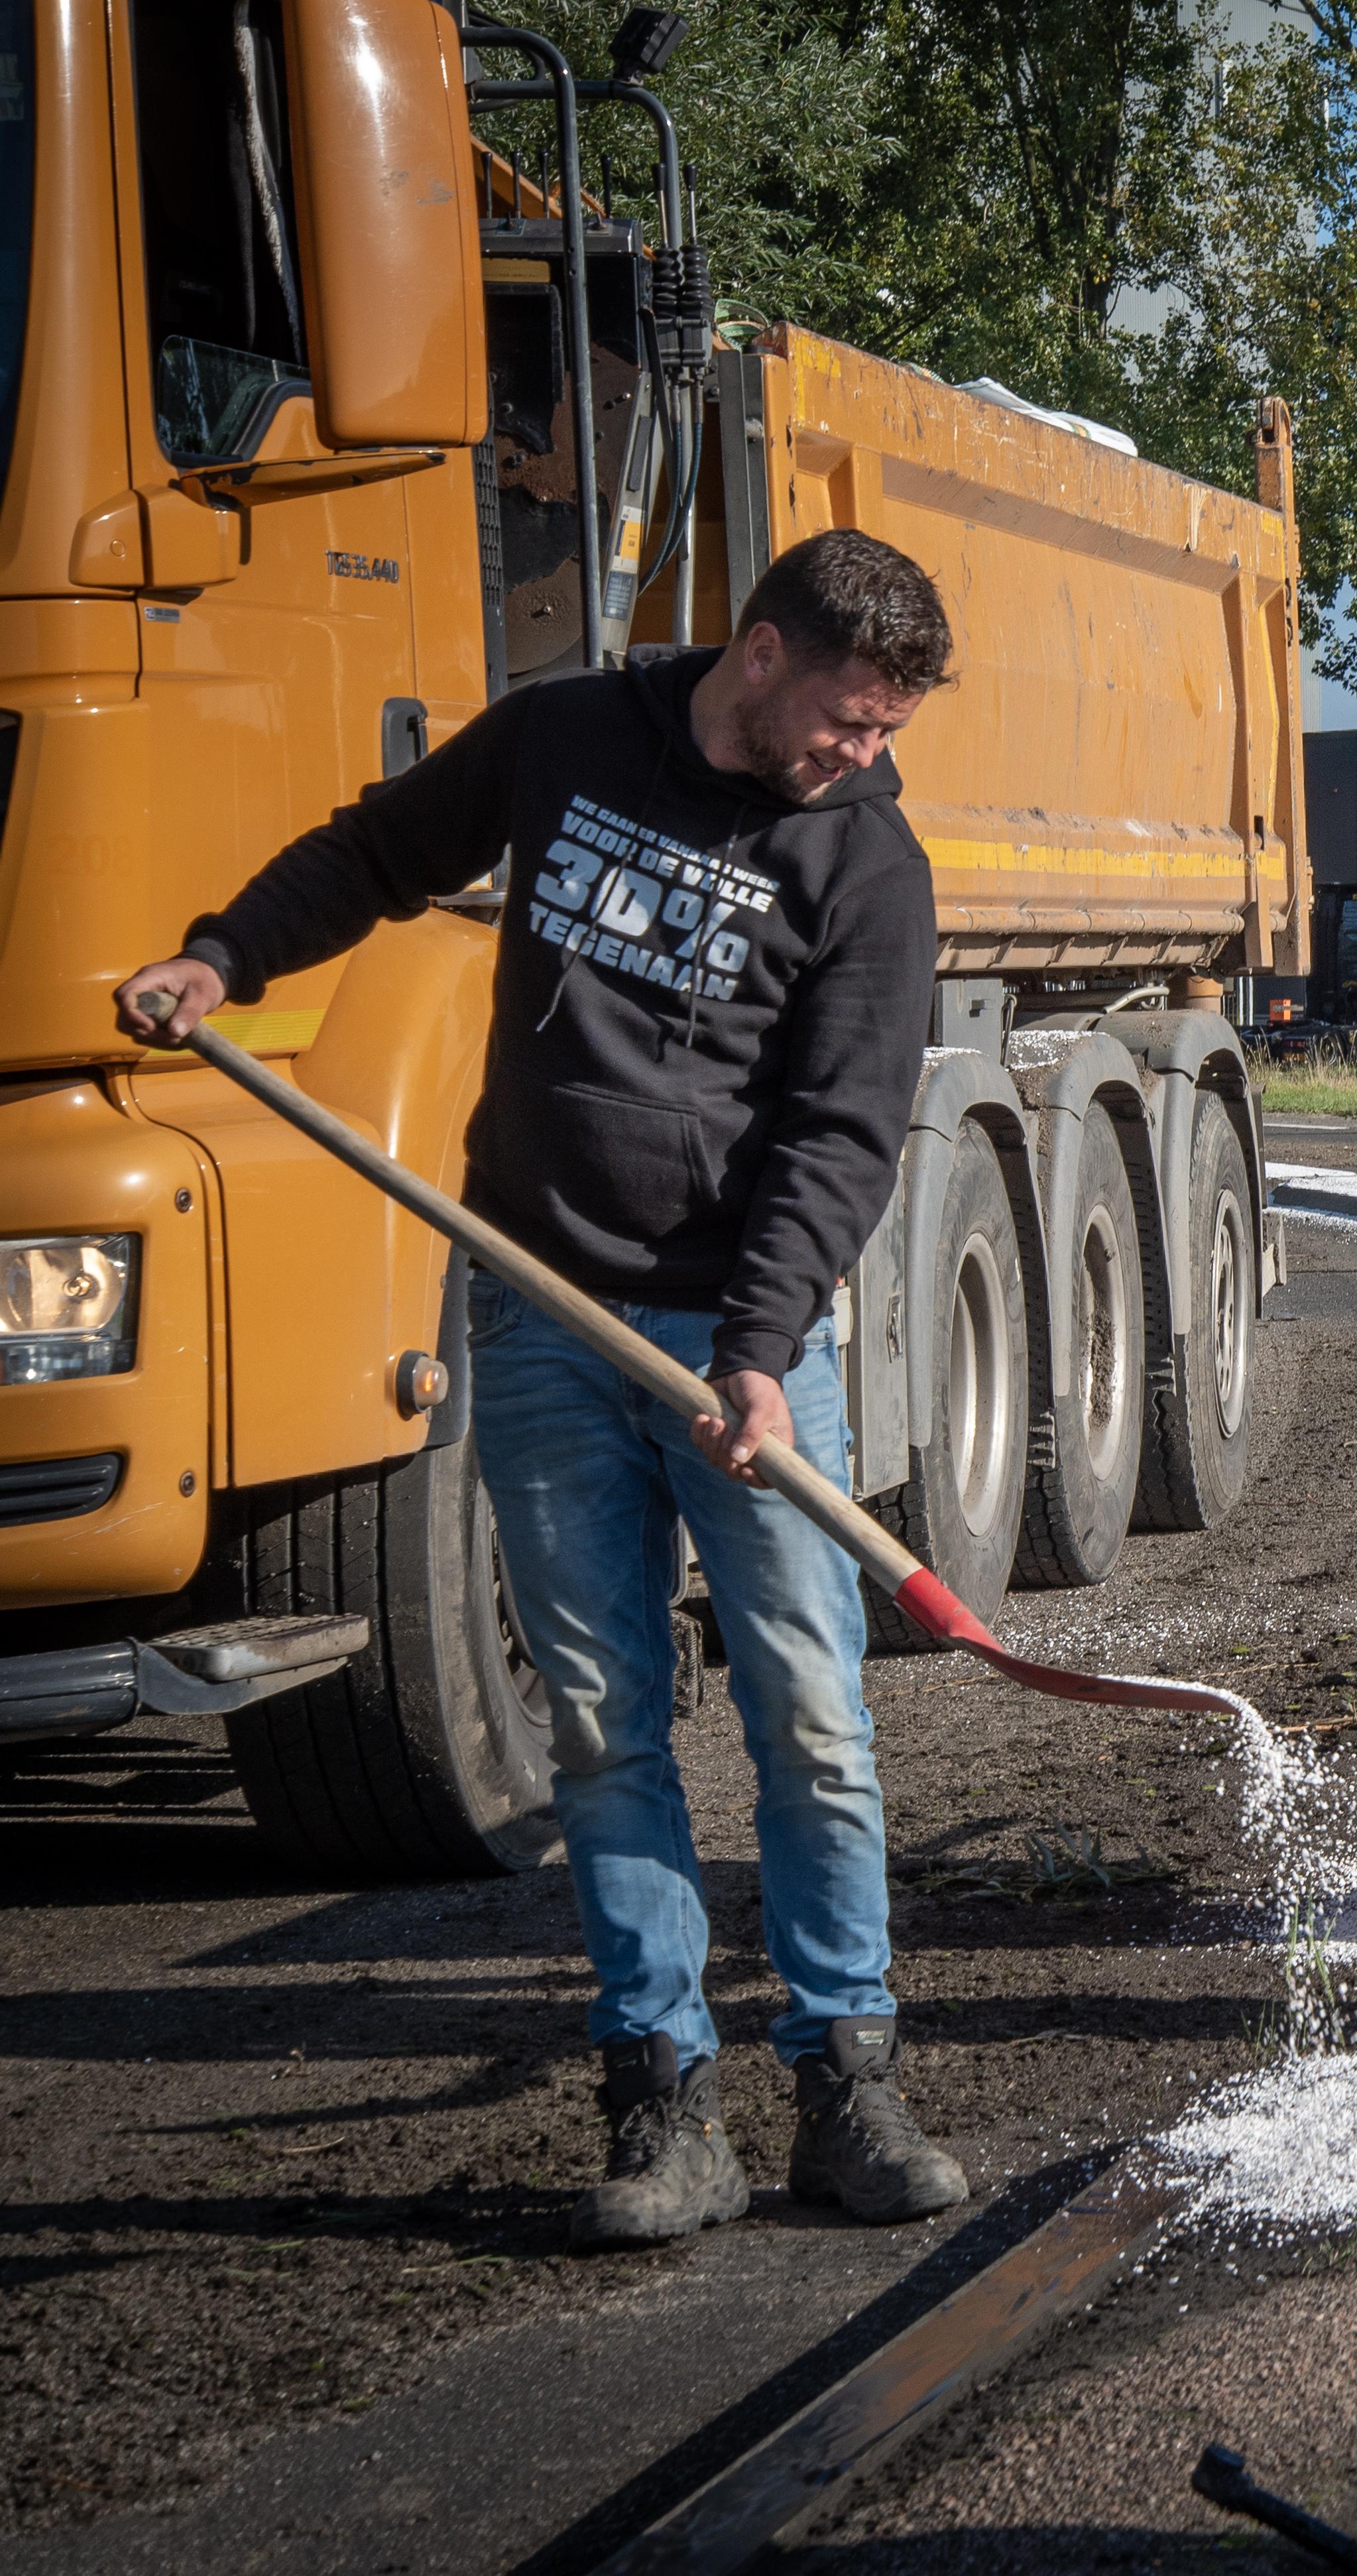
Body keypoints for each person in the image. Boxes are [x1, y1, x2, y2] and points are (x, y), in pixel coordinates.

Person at [117, 534, 970, 2252]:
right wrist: (225, 957)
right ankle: (663, 2099)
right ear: (759, 655)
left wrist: (759, 1341)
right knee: (599, 1721)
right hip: (538, 1309)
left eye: (885, 732)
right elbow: (380, 851)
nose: (863, 756)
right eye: (851, 720)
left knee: (812, 1714)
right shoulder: (566, 739)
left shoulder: (869, 865)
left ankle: (847, 2084)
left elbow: (844, 1130)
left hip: (742, 1340)